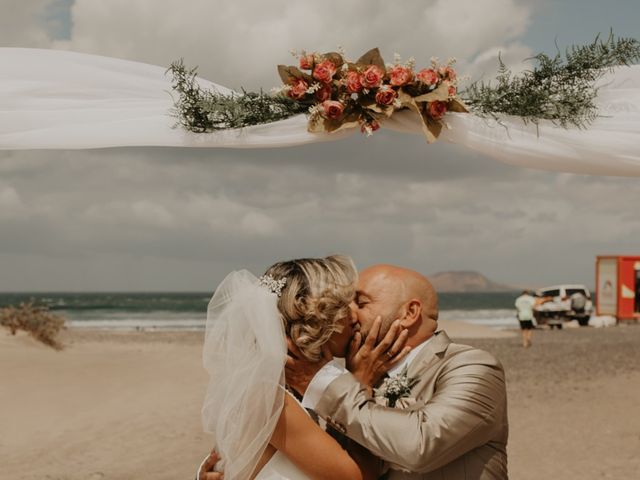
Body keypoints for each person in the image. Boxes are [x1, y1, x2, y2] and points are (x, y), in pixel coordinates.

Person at [284, 264, 509, 479]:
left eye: (360, 303)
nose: (348, 315)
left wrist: (326, 383)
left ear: (410, 313)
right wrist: (358, 381)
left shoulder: (473, 366)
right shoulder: (361, 373)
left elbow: (421, 446)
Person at [196, 256, 409, 480]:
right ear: (318, 319)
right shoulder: (268, 396)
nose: (355, 316)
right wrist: (360, 384)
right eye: (346, 305)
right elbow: (358, 476)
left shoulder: (289, 386)